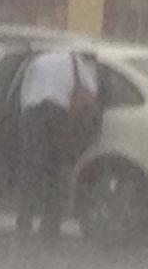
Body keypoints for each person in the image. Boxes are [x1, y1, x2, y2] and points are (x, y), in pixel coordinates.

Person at [15, 50, 101, 238]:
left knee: (30, 170)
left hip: (32, 114)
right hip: (57, 114)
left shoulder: (36, 61)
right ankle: (50, 224)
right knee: (56, 170)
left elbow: (24, 92)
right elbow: (91, 90)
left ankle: (24, 222)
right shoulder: (75, 60)